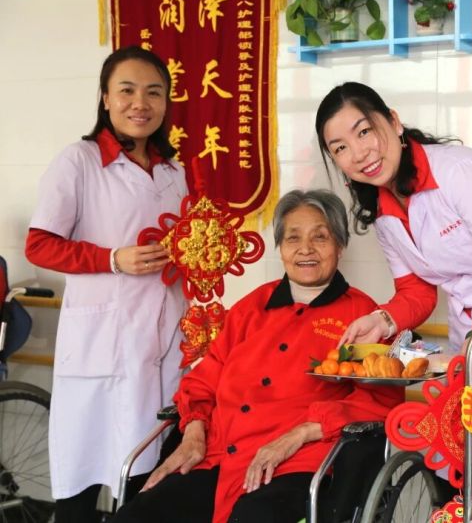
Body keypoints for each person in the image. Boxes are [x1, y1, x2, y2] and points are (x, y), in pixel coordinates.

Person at [111, 189, 404, 523]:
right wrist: (193, 434)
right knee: (140, 514)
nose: (305, 249)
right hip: (219, 454)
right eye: (293, 238)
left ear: (339, 246)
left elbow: (378, 399)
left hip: (300, 462)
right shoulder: (250, 308)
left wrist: (302, 432)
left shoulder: (363, 316)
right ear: (281, 248)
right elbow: (204, 379)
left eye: (320, 237)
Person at [25, 46, 188, 522]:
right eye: (127, 90)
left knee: (146, 480)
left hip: (163, 342)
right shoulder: (79, 161)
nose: (141, 104)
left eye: (154, 93)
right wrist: (113, 259)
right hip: (101, 345)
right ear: (105, 97)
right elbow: (39, 245)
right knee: (83, 476)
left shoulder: (174, 172)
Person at [316, 81, 472, 378]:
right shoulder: (382, 212)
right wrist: (382, 320)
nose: (358, 153)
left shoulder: (460, 172)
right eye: (340, 148)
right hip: (466, 337)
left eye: (364, 131)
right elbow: (416, 290)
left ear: (394, 122)